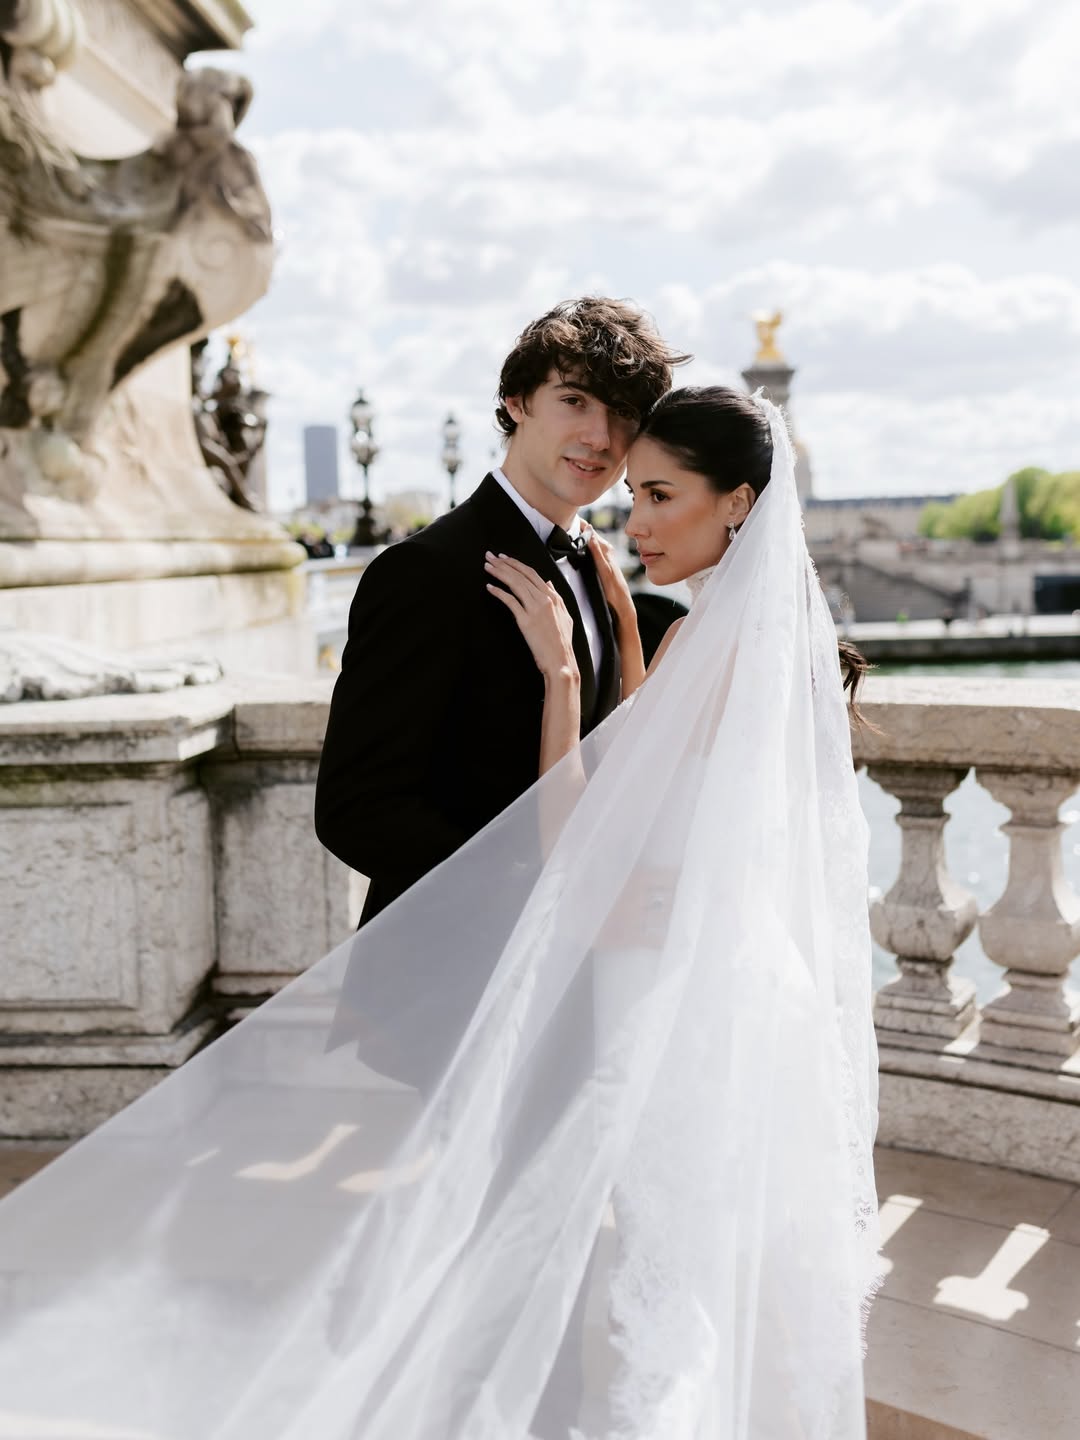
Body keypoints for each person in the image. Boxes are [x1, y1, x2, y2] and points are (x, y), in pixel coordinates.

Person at [0, 388, 881, 1440]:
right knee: (720, 1273)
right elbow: (678, 770)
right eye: (634, 492)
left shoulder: (704, 642)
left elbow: (581, 840)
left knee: (670, 1278)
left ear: (737, 503)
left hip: (669, 1003)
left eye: (658, 494)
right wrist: (621, 635)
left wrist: (563, 676)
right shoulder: (767, 643)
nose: (633, 518)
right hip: (745, 990)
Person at [315, 296, 689, 923]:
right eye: (574, 400)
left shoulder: (601, 573)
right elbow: (354, 811)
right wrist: (541, 892)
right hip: (450, 962)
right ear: (516, 401)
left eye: (622, 413)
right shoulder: (424, 571)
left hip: (574, 960)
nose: (599, 437)